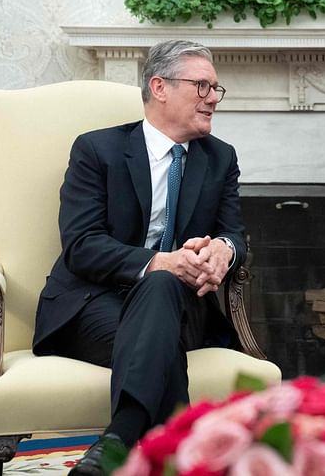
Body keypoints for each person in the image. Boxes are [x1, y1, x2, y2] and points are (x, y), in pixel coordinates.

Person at [31, 39, 246, 476]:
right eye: (202, 86)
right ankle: (175, 454)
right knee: (160, 329)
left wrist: (225, 250)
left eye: (216, 89)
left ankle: (117, 442)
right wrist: (161, 262)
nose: (213, 99)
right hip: (92, 304)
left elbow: (232, 233)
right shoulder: (97, 151)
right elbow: (81, 245)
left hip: (181, 307)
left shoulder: (220, 158)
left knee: (164, 288)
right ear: (160, 86)